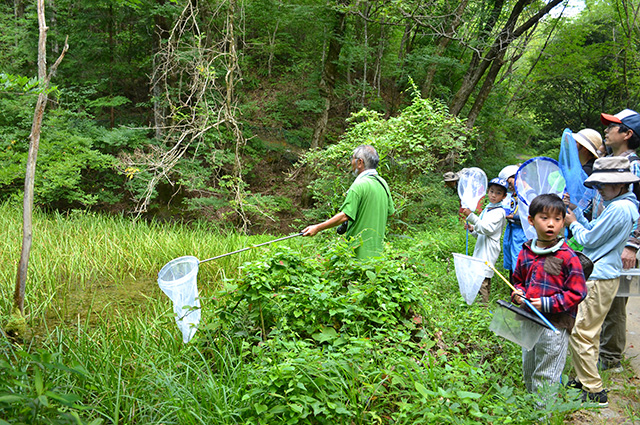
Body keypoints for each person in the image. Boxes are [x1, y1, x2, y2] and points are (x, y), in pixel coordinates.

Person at [565, 156, 640, 407]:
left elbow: (588, 240)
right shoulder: (621, 205)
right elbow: (596, 229)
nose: (600, 190)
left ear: (620, 185)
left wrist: (573, 223)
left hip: (599, 277)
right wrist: (576, 215)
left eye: (604, 185)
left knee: (581, 332)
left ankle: (594, 390)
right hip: (605, 276)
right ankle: (580, 378)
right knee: (591, 331)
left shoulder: (619, 208)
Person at [511, 194, 587, 395]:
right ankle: (531, 407)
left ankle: (543, 416)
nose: (551, 224)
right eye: (544, 218)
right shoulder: (526, 251)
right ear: (531, 220)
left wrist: (547, 303)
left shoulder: (567, 256)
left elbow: (578, 292)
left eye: (557, 219)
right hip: (528, 319)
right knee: (529, 367)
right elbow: (518, 280)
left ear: (563, 223)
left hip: (555, 325)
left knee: (547, 373)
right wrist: (518, 293)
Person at [596, 109, 640, 372]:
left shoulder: (633, 165)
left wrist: (632, 244)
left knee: (614, 299)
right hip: (605, 240)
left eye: (613, 126)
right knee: (602, 293)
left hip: (622, 244)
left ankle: (611, 359)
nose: (606, 130)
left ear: (627, 134)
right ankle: (602, 350)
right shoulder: (610, 159)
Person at [301, 144, 394, 259]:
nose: (351, 163)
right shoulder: (383, 184)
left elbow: (344, 216)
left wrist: (317, 228)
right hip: (378, 255)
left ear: (360, 162)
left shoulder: (359, 186)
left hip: (358, 254)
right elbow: (391, 213)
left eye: (352, 159)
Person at [460, 177, 508, 304]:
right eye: (492, 191)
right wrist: (472, 229)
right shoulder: (488, 208)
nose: (494, 195)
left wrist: (471, 216)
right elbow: (480, 232)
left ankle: (483, 308)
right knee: (480, 276)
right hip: (482, 248)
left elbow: (487, 229)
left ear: (504, 196)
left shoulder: (499, 212)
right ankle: (480, 305)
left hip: (489, 250)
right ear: (488, 191)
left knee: (482, 278)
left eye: (498, 193)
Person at [499, 164, 528, 283]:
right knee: (513, 263)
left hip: (523, 234)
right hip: (513, 233)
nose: (510, 187)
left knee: (521, 264)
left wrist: (513, 217)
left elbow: (530, 217)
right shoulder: (514, 195)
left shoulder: (528, 193)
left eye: (510, 183)